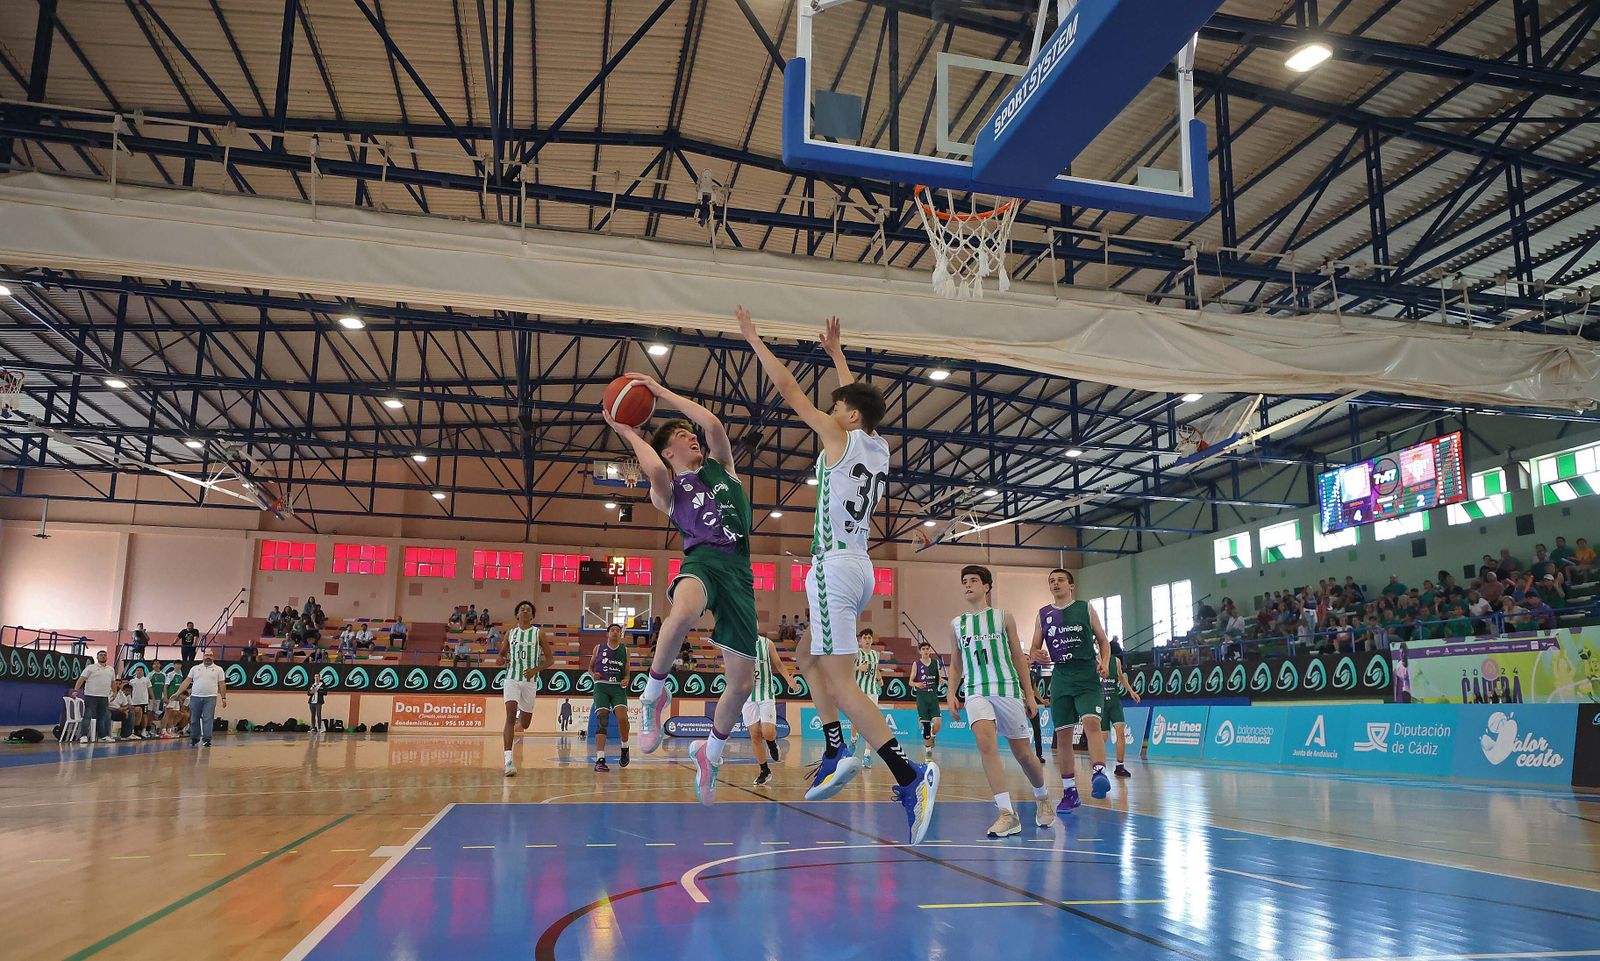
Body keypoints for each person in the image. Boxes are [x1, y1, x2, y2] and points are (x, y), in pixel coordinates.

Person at [737, 309, 936, 841]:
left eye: (837, 407)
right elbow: (858, 404)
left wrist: (755, 338)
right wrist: (837, 356)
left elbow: (788, 390)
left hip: (832, 569)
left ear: (847, 418)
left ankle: (908, 773)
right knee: (805, 656)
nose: (829, 410)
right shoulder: (878, 446)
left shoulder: (839, 435)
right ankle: (834, 747)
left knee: (844, 686)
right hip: (862, 567)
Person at [600, 372, 762, 807]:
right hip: (702, 561)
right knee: (683, 612)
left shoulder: (725, 469)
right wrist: (626, 430)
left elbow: (711, 423)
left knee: (743, 682)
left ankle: (710, 752)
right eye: (682, 437)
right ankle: (653, 694)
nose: (692, 438)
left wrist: (659, 391)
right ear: (669, 450)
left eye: (691, 435)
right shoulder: (669, 490)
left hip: (740, 573)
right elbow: (652, 467)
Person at [948, 565, 1052, 837]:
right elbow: (956, 663)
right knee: (985, 743)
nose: (967, 585)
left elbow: (1019, 656)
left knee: (1024, 755)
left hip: (1007, 689)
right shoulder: (957, 624)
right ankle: (1007, 813)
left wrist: (1029, 694)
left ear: (986, 586)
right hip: (975, 690)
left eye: (973, 580)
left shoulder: (1004, 617)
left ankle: (1042, 797)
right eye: (964, 581)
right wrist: (950, 693)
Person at [1030, 567, 1113, 812]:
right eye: (1051, 581)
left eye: (1060, 580)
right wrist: (1037, 655)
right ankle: (1070, 791)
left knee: (1092, 724)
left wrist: (1105, 662)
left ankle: (1099, 772)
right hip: (1061, 677)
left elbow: (1103, 640)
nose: (1055, 584)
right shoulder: (1043, 614)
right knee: (1063, 736)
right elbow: (1035, 648)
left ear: (1071, 585)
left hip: (1086, 673)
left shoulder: (1085, 608)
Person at [501, 600, 548, 777]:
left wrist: (535, 670)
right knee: (510, 716)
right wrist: (500, 659)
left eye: (528, 609)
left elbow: (550, 660)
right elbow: (502, 653)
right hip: (512, 678)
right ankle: (508, 761)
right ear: (517, 615)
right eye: (522, 609)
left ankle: (523, 714)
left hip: (530, 682)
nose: (525, 611)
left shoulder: (539, 634)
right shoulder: (510, 633)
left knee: (525, 724)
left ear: (532, 615)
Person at [745, 635, 795, 786]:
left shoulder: (767, 643)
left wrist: (789, 680)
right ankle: (764, 771)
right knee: (754, 735)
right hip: (747, 695)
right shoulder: (740, 641)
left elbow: (778, 664)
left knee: (767, 732)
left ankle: (772, 744)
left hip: (766, 692)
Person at [590, 623, 633, 772]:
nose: (615, 632)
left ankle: (625, 748)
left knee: (622, 718)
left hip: (617, 689)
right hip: (601, 686)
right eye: (612, 630)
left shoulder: (625, 651)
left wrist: (626, 679)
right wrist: (593, 674)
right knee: (603, 720)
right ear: (607, 634)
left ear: (621, 635)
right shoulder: (598, 648)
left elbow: (627, 672)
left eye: (618, 631)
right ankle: (600, 759)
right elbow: (590, 667)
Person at [1100, 640, 1139, 778]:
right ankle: (1099, 767)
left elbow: (1121, 678)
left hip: (1114, 702)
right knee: (1102, 738)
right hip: (1101, 704)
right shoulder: (1093, 661)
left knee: (1120, 732)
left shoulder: (1115, 661)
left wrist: (1131, 692)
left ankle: (1120, 766)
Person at [174, 649, 228, 747]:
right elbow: (187, 681)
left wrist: (223, 698)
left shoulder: (218, 669)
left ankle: (207, 739)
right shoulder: (195, 668)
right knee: (194, 719)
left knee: (208, 718)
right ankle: (195, 738)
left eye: (210, 655)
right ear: (203, 657)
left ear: (213, 657)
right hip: (195, 697)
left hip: (210, 697)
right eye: (206, 655)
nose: (208, 657)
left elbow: (222, 684)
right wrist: (177, 693)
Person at [850, 628, 883, 768]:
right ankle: (853, 739)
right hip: (858, 692)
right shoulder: (856, 653)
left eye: (869, 638)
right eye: (865, 638)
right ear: (860, 640)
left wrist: (879, 678)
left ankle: (867, 755)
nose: (867, 640)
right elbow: (846, 670)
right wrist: (858, 669)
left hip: (872, 692)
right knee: (856, 722)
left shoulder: (876, 654)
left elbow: (875, 670)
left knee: (870, 724)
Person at [74, 649, 116, 742]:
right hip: (91, 696)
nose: (103, 656)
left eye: (104, 655)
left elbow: (113, 682)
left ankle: (102, 736)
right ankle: (83, 735)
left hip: (104, 697)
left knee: (102, 717)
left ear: (107, 657)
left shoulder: (111, 669)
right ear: (97, 657)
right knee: (87, 716)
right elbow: (81, 679)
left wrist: (115, 692)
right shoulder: (90, 667)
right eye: (101, 655)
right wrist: (76, 690)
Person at [912, 641, 944, 761]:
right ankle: (928, 752)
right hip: (922, 698)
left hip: (933, 698)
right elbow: (910, 681)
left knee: (938, 724)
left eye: (927, 648)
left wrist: (940, 680)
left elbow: (938, 676)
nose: (925, 651)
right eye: (923, 649)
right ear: (920, 651)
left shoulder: (936, 663)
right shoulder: (916, 664)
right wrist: (916, 684)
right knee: (925, 725)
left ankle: (933, 736)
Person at [126, 664, 153, 738]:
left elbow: (150, 689)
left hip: (144, 701)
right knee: (134, 716)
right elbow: (129, 691)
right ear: (135, 672)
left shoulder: (146, 679)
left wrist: (152, 698)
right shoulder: (132, 681)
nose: (139, 671)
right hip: (134, 701)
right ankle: (133, 731)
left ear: (143, 672)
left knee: (144, 715)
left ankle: (144, 730)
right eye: (138, 670)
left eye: (141, 670)